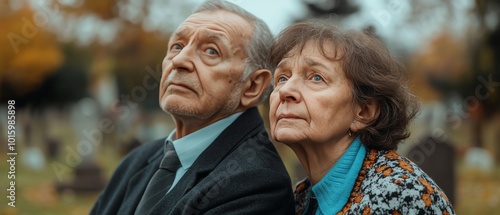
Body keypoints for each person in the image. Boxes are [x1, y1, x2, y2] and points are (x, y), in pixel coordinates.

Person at [90, 0, 294, 214]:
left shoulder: (258, 184)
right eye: (177, 46)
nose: (179, 60)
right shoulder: (137, 160)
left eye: (211, 51)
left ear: (252, 86)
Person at [268, 20, 455, 215]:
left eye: (316, 77)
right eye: (282, 77)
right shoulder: (301, 199)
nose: (286, 90)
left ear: (363, 112)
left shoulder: (398, 195)